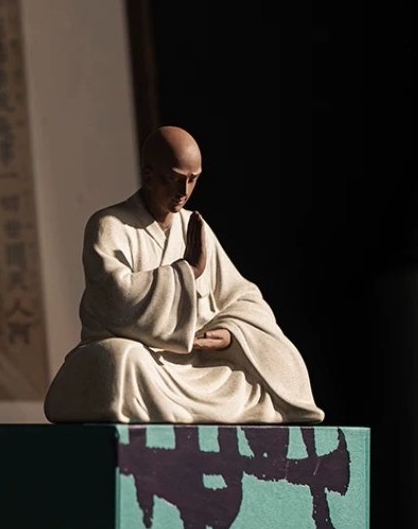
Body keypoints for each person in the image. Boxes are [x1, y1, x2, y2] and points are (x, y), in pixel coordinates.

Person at [44, 126, 324, 424]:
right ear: (149, 175)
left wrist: (230, 333)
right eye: (174, 179)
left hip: (192, 364)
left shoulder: (193, 226)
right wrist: (186, 272)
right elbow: (116, 298)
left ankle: (193, 407)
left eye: (193, 180)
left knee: (267, 368)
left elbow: (242, 296)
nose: (183, 191)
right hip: (144, 357)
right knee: (120, 360)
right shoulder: (110, 224)